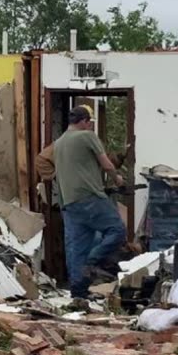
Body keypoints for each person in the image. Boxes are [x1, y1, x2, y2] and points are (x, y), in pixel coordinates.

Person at [53, 104, 126, 298]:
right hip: (90, 197)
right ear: (84, 121)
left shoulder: (58, 143)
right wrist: (118, 179)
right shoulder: (87, 136)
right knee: (117, 230)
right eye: (89, 122)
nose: (90, 125)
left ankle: (78, 293)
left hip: (69, 203)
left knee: (77, 249)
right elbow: (106, 164)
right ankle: (93, 260)